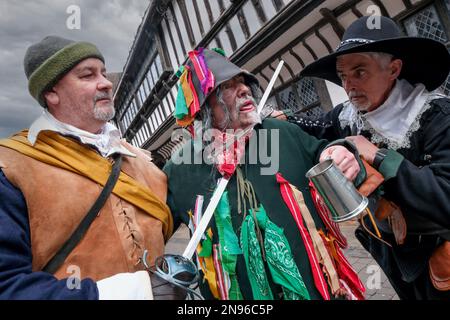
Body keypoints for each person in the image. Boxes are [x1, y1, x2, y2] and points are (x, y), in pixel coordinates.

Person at [163, 48, 367, 300]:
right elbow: (153, 226)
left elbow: (324, 152)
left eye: (244, 82)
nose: (244, 90)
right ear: (205, 107)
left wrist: (340, 150)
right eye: (228, 86)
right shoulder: (180, 167)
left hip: (317, 290)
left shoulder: (284, 132)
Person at [0, 36, 183, 299]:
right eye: (87, 75)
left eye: (104, 73)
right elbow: (7, 286)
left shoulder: (141, 161)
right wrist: (133, 292)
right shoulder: (11, 167)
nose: (106, 83)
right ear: (51, 92)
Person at [286, 16, 450, 300]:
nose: (349, 86)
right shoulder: (348, 117)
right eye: (343, 76)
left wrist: (377, 156)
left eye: (359, 72)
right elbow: (313, 127)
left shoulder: (436, 117)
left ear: (394, 69)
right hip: (390, 249)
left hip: (439, 255)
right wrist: (278, 119)